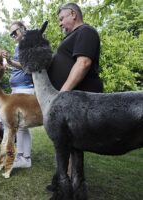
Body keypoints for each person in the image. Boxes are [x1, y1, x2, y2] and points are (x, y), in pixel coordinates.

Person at [46, 3, 103, 191]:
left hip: (79, 99)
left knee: (72, 141)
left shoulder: (86, 32)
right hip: (72, 100)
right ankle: (67, 181)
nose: (60, 24)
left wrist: (62, 94)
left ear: (73, 14)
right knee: (69, 142)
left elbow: (84, 62)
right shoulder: (71, 37)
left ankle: (69, 182)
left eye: (61, 19)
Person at [3, 21, 33, 169]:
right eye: (11, 33)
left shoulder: (28, 44)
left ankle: (23, 158)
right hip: (18, 88)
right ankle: (24, 158)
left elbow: (27, 66)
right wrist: (8, 66)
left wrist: (9, 61)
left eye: (15, 32)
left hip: (25, 88)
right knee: (22, 126)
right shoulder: (18, 46)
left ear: (23, 29)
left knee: (21, 124)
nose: (13, 35)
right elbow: (18, 67)